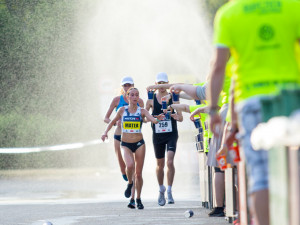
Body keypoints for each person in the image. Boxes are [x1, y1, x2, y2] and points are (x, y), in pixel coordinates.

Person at [207, 1, 300, 224]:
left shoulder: (229, 14)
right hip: (291, 98)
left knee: (260, 175)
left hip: (251, 101)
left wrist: (212, 110)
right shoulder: (292, 7)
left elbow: (218, 66)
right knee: (295, 168)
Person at [101, 87, 164, 210]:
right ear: (128, 97)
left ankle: (138, 198)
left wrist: (158, 119)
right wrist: (105, 132)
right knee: (129, 166)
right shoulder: (122, 110)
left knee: (139, 174)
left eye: (137, 95)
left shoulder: (142, 111)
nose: (135, 97)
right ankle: (130, 184)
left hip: (139, 143)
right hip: (125, 144)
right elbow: (111, 121)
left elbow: (153, 120)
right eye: (132, 95)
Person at [103, 76, 144, 208]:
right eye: (125, 86)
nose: (127, 87)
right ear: (122, 88)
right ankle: (128, 181)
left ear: (133, 85)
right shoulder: (117, 100)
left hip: (134, 137)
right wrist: (115, 123)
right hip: (119, 135)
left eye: (129, 85)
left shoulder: (138, 100)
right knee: (124, 167)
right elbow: (106, 118)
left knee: (133, 168)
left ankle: (133, 197)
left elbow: (144, 117)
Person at [146, 72, 183, 206]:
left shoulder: (174, 98)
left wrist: (174, 116)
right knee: (160, 165)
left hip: (171, 134)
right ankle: (161, 189)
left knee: (170, 161)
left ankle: (169, 190)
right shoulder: (151, 100)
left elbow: (181, 118)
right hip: (157, 135)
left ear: (167, 84)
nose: (162, 86)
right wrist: (155, 119)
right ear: (155, 85)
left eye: (164, 83)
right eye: (159, 84)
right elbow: (144, 118)